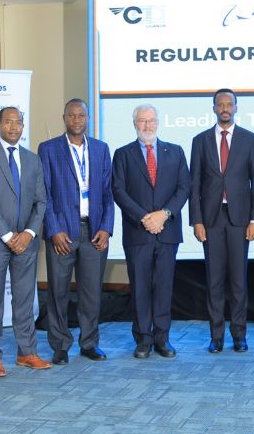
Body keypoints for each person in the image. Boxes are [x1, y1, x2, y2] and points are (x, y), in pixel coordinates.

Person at [0, 106, 50, 377]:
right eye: (8, 122)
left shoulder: (33, 160)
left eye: (18, 122)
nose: (14, 127)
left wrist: (28, 233)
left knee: (25, 300)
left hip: (26, 243)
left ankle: (27, 352)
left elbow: (41, 201)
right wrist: (8, 236)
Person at [112, 104, 191, 359]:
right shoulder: (123, 154)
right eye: (142, 121)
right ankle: (143, 339)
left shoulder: (175, 151)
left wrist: (164, 214)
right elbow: (118, 191)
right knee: (140, 287)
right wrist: (144, 218)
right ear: (134, 124)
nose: (147, 125)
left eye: (151, 120)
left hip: (167, 231)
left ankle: (162, 338)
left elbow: (184, 188)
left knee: (164, 287)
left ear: (158, 122)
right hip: (138, 231)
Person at [38, 99, 113, 365]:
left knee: (91, 293)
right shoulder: (48, 149)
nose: (77, 120)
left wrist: (106, 228)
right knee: (58, 292)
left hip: (93, 231)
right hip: (62, 234)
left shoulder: (101, 149)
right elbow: (44, 193)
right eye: (72, 115)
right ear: (64, 118)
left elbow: (108, 193)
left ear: (88, 118)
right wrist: (54, 230)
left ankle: (89, 343)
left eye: (81, 115)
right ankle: (60, 346)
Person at [189, 88, 254, 353]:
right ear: (213, 108)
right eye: (220, 104)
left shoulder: (249, 139)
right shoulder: (200, 140)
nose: (224, 108)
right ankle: (216, 336)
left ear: (235, 107)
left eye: (229, 104)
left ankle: (239, 335)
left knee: (238, 281)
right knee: (214, 280)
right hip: (210, 219)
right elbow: (194, 184)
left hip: (240, 219)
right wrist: (196, 221)